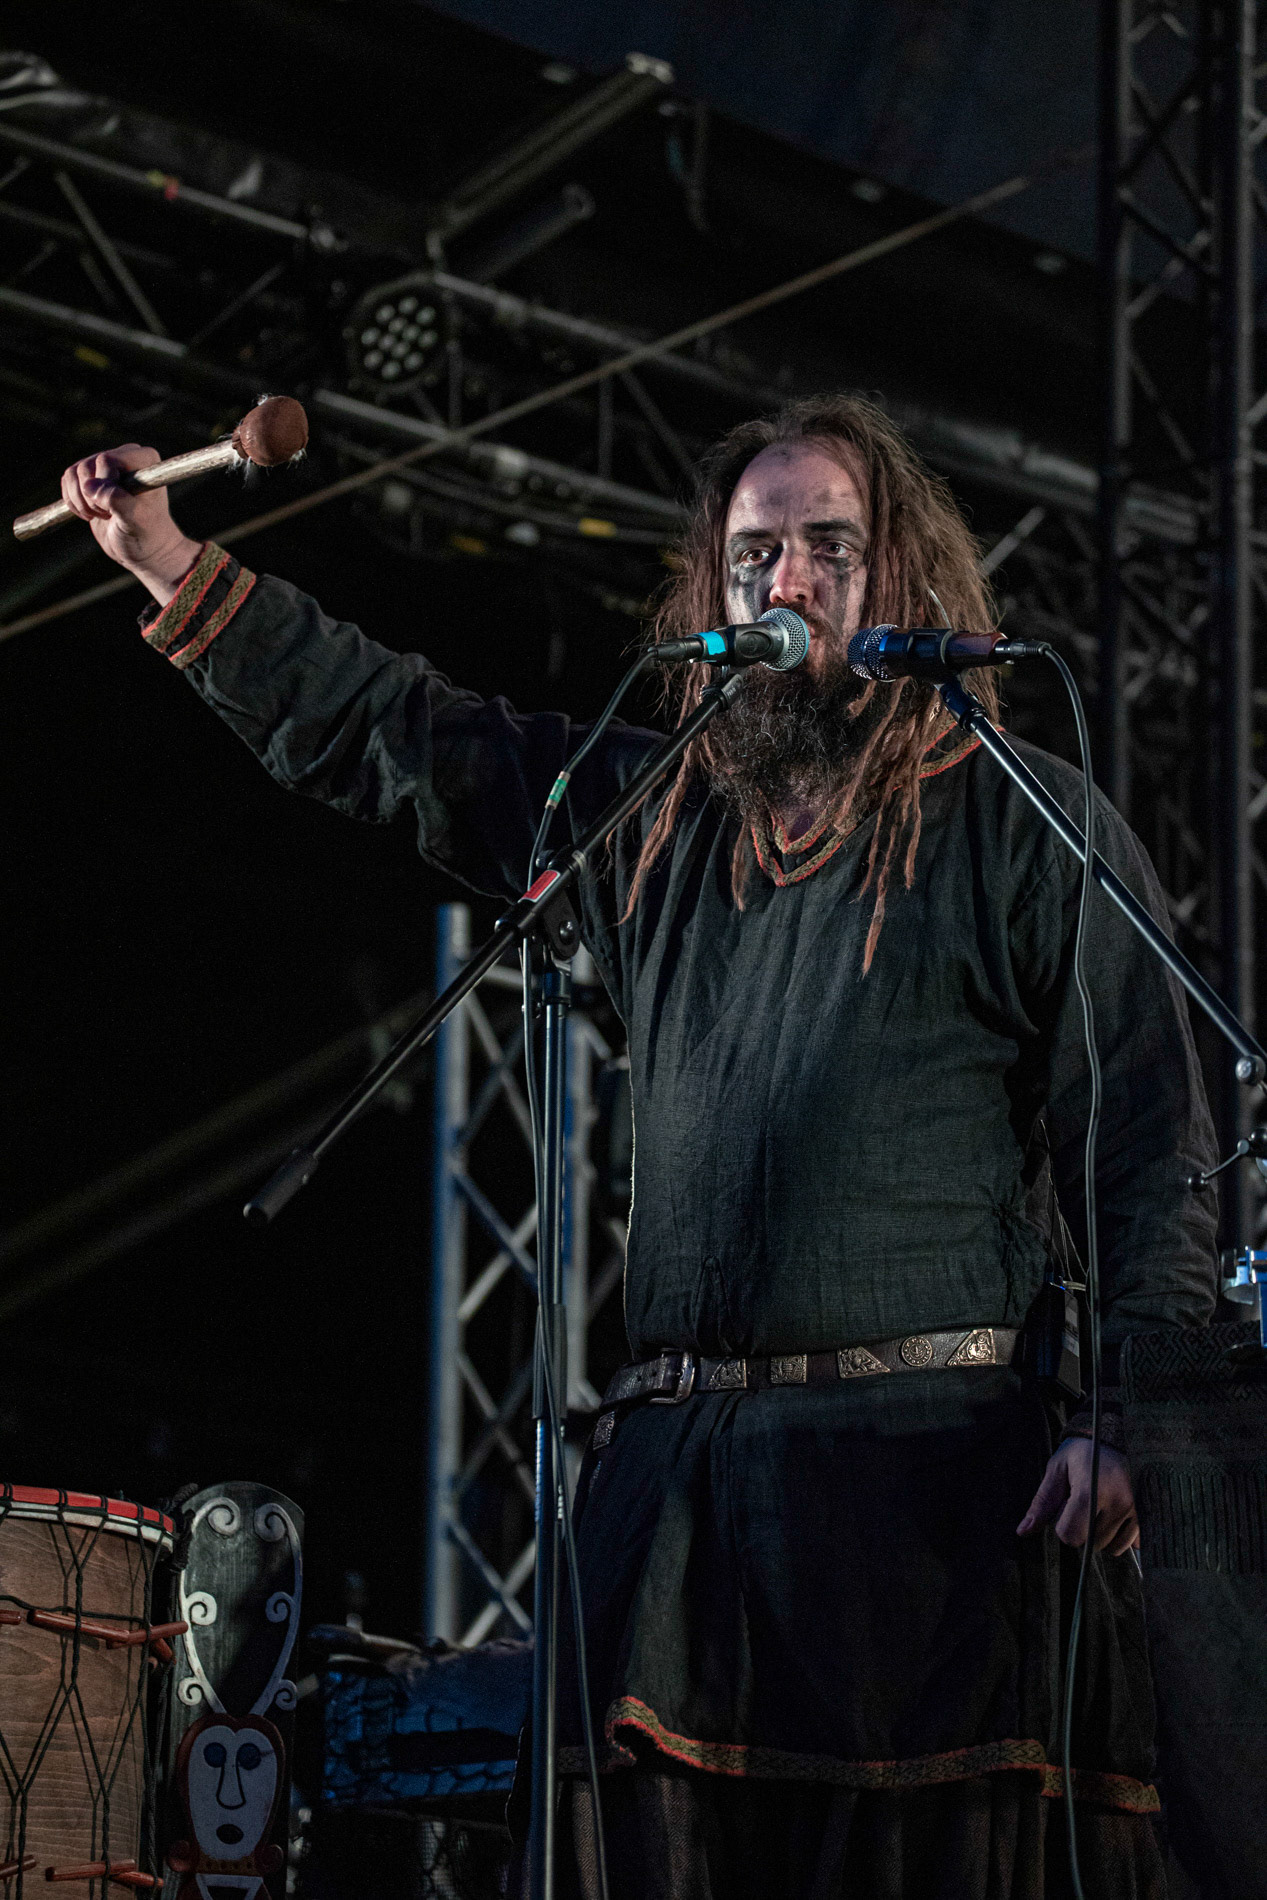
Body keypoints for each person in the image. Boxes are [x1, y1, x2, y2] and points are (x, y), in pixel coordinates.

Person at [61, 395, 1218, 1898]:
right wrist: (167, 562)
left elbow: (1147, 1141)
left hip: (936, 1512)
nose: (784, 582)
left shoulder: (1018, 821)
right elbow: (408, 735)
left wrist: (1129, 1414)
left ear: (904, 585)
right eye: (752, 557)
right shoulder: (651, 817)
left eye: (825, 548)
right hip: (680, 1511)